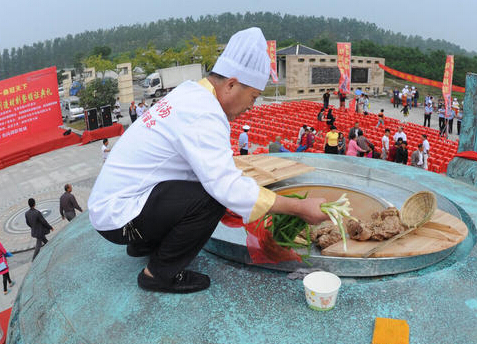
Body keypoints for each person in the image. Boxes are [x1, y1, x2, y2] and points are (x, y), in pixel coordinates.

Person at [88, 27, 326, 294]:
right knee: (212, 199)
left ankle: (143, 245)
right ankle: (159, 274)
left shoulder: (192, 93)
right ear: (232, 84)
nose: (251, 107)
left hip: (117, 207)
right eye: (253, 97)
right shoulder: (204, 113)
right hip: (120, 219)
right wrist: (300, 207)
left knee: (208, 191)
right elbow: (225, 187)